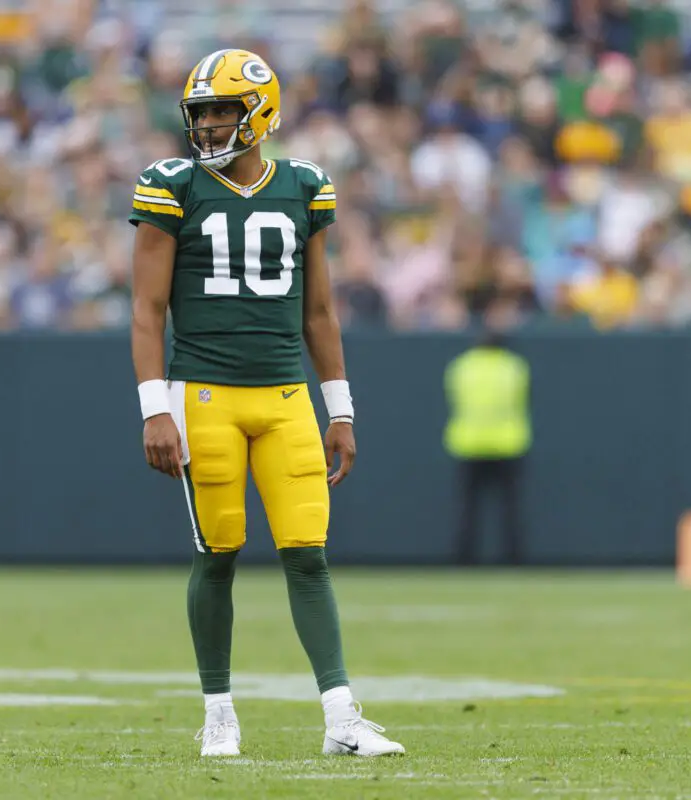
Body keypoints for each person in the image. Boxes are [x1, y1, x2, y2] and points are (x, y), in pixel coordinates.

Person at [129, 49, 404, 759]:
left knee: (307, 552)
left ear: (260, 112)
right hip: (205, 393)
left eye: (223, 110)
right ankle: (219, 712)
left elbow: (319, 311)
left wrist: (339, 407)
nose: (211, 124)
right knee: (217, 551)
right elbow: (146, 309)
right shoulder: (173, 186)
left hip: (286, 395)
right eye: (203, 112)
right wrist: (153, 407)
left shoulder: (304, 186)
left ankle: (341, 717)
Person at [444, 328, 532, 565]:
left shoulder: (461, 366)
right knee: (510, 508)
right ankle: (514, 557)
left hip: (469, 442)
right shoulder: (514, 367)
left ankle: (464, 557)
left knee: (468, 508)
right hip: (507, 443)